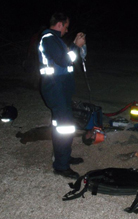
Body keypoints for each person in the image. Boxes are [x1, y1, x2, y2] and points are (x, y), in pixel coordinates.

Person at [38, 12, 86, 179]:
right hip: (55, 88)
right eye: (66, 26)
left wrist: (73, 44)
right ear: (60, 24)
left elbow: (63, 59)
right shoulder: (49, 39)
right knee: (64, 127)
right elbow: (65, 60)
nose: (67, 29)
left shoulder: (54, 39)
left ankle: (63, 157)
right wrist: (77, 47)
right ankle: (61, 166)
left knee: (62, 126)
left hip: (59, 88)